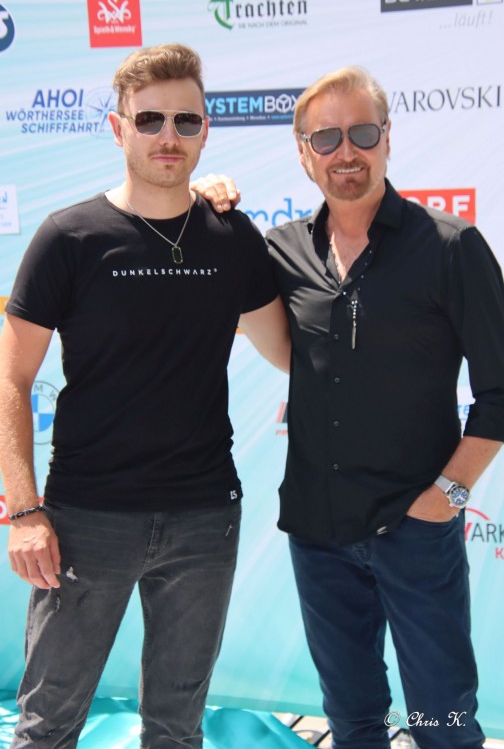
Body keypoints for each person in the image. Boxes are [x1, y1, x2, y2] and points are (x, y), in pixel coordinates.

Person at [193, 66, 504, 748]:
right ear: (303, 153)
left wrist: (448, 495)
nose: (346, 152)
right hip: (319, 531)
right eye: (326, 138)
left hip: (415, 527)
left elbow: (501, 393)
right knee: (353, 721)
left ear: (387, 138)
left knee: (444, 720)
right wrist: (206, 201)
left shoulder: (451, 247)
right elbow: (269, 330)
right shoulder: (281, 251)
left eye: (362, 133)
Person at [0, 43, 290, 748]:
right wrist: (25, 511)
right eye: (150, 119)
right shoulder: (69, 237)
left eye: (185, 121)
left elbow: (289, 351)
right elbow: (12, 379)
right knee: (47, 726)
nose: (168, 136)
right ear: (118, 127)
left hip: (204, 518)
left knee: (177, 729)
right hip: (85, 519)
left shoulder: (231, 235)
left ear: (205, 131)